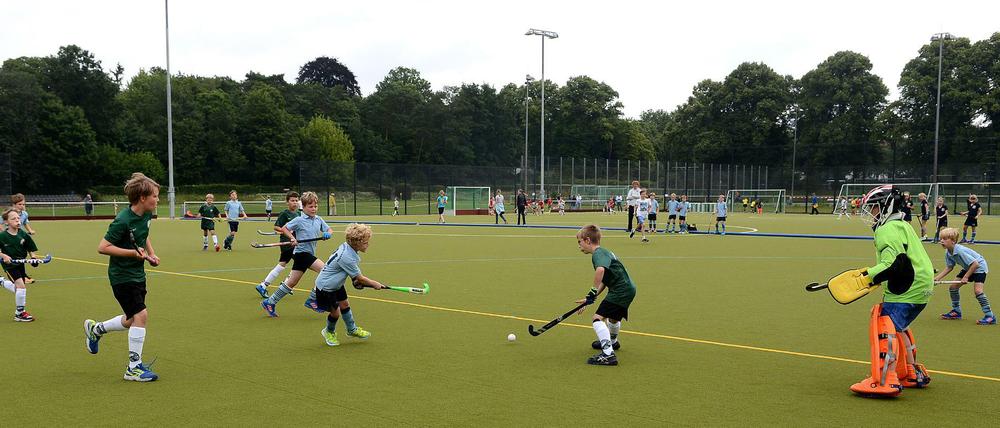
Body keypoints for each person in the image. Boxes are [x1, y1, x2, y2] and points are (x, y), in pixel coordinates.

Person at [846, 184, 933, 396]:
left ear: (885, 207)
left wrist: (866, 277)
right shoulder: (903, 225)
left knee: (884, 323)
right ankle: (912, 372)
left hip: (906, 286)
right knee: (898, 327)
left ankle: (885, 379)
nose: (871, 213)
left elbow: (891, 262)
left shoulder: (886, 229)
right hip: (921, 285)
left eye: (874, 207)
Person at [84, 173, 162, 382]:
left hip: (137, 274)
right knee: (141, 316)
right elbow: (103, 247)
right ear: (143, 198)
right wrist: (132, 254)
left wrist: (151, 254)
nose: (158, 199)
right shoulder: (122, 220)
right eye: (155, 196)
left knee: (131, 320)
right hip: (122, 276)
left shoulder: (146, 215)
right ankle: (133, 368)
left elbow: (143, 236)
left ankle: (96, 329)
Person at [261, 192, 332, 317]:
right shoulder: (299, 220)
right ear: (303, 207)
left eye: (315, 206)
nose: (313, 209)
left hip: (308, 253)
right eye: (310, 207)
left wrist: (328, 233)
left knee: (291, 283)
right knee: (326, 270)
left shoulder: (318, 219)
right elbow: (284, 228)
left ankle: (270, 302)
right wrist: (292, 238)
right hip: (302, 253)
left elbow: (329, 229)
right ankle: (313, 298)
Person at [313, 223, 384, 346]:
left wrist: (355, 281)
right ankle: (329, 331)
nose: (368, 244)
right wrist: (374, 284)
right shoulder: (346, 256)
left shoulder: (348, 248)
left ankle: (351, 329)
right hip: (326, 287)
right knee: (335, 313)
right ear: (357, 243)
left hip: (337, 284)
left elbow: (353, 276)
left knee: (345, 304)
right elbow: (360, 278)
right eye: (366, 242)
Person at [575, 225, 636, 366]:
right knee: (613, 318)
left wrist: (591, 292)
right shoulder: (606, 252)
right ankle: (613, 343)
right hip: (628, 289)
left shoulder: (598, 254)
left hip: (620, 290)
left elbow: (600, 271)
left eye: (579, 242)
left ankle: (608, 354)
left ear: (588, 240)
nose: (579, 246)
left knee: (597, 319)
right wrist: (591, 297)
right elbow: (605, 279)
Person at [935, 227, 994, 325]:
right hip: (968, 267)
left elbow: (975, 264)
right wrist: (938, 278)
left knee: (978, 291)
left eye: (945, 239)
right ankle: (956, 311)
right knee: (953, 287)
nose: (941, 241)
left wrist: (966, 277)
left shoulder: (960, 251)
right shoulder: (948, 252)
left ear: (953, 241)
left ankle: (990, 316)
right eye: (941, 239)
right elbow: (949, 267)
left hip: (979, 268)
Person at [255, 192, 302, 299]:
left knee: (284, 264)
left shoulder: (299, 214)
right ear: (287, 202)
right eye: (292, 200)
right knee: (298, 262)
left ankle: (265, 285)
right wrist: (287, 231)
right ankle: (283, 283)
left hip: (296, 242)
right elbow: (276, 227)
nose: (295, 203)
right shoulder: (284, 214)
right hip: (287, 242)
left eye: (296, 200)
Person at [0, 209, 39, 322]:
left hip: (21, 264)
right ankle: (19, 313)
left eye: (18, 218)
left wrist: (33, 257)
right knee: (21, 287)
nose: (17, 220)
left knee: (19, 289)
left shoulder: (23, 235)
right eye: (13, 219)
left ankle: (1, 281)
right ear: (6, 222)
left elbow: (31, 248)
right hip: (10, 266)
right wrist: (3, 256)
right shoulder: (2, 236)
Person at [10, 194, 36, 284]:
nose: (22, 206)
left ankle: (33, 257)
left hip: (19, 235)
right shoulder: (9, 214)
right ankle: (21, 277)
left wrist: (30, 230)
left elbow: (25, 223)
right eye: (20, 204)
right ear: (14, 205)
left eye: (23, 204)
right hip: (9, 237)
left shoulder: (24, 214)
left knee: (24, 248)